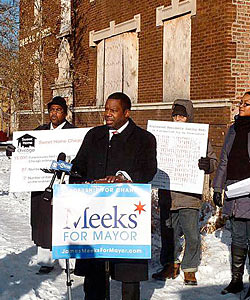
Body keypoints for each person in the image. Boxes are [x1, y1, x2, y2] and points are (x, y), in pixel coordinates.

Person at [70, 92, 157, 300]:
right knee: (94, 276)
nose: (107, 114)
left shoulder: (144, 139)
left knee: (128, 275)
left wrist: (123, 178)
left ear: (126, 113)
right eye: (106, 109)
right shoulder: (94, 135)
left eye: (113, 110)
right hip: (94, 217)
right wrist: (78, 183)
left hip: (126, 219)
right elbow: (78, 166)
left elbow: (148, 170)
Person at [6, 96, 76, 274]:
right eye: (52, 110)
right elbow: (24, 151)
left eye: (58, 110)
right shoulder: (40, 132)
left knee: (66, 220)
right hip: (42, 185)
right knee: (44, 222)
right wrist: (13, 151)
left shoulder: (73, 133)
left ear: (65, 112)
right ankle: (46, 260)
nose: (54, 113)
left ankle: (70, 263)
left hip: (65, 185)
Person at [152, 99, 217, 285]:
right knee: (168, 233)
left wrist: (207, 164)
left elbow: (212, 161)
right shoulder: (163, 135)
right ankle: (169, 264)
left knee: (192, 234)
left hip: (189, 196)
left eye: (182, 116)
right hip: (168, 194)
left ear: (189, 117)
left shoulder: (199, 137)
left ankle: (189, 268)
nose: (178, 119)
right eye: (176, 116)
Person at [213, 91, 250, 296]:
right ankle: (236, 280)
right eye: (241, 102)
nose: (241, 106)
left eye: (246, 104)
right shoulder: (233, 130)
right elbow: (224, 161)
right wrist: (218, 188)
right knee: (237, 236)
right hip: (234, 189)